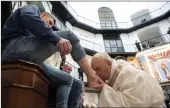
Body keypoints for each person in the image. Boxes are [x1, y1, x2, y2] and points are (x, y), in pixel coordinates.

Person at [1, 5, 100, 108]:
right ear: (43, 15)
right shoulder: (32, 8)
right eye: (50, 22)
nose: (50, 27)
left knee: (70, 81)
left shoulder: (37, 36)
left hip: (29, 57)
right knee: (69, 36)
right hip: (11, 48)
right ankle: (92, 77)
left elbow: (36, 44)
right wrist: (56, 39)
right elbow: (27, 16)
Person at [90, 52, 164, 107]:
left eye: (98, 69)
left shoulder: (129, 74)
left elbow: (133, 104)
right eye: (95, 71)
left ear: (108, 63)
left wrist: (105, 89)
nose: (97, 74)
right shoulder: (118, 74)